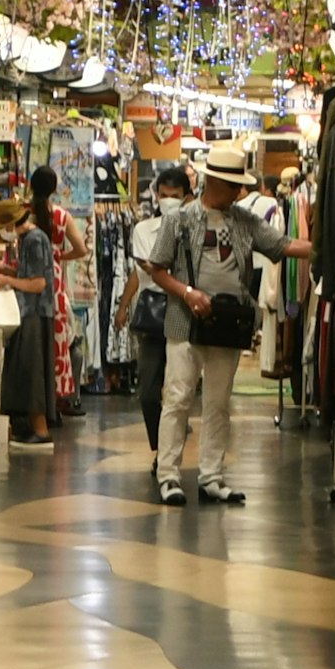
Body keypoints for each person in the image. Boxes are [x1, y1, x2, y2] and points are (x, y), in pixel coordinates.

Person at [142, 134, 309, 507]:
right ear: (213, 181)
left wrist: (326, 248)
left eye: (239, 186)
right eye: (233, 185)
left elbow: (281, 245)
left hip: (228, 324)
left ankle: (211, 476)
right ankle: (169, 475)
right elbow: (157, 268)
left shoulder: (246, 222)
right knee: (178, 398)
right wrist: (188, 293)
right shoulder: (180, 220)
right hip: (185, 322)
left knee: (219, 402)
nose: (236, 192)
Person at [0, 165, 66, 453]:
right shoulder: (30, 239)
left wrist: (7, 279)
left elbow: (37, 284)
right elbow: (30, 274)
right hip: (32, 312)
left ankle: (40, 430)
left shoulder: (35, 240)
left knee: (34, 372)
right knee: (28, 371)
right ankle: (32, 427)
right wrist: (8, 269)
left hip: (35, 313)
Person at [134, 163, 189, 463]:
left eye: (175, 195)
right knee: (148, 389)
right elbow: (150, 267)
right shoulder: (143, 230)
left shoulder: (193, 228)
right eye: (165, 194)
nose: (169, 200)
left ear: (186, 197)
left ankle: (168, 456)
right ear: (156, 196)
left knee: (180, 392)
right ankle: (159, 445)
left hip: (182, 311)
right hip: (153, 313)